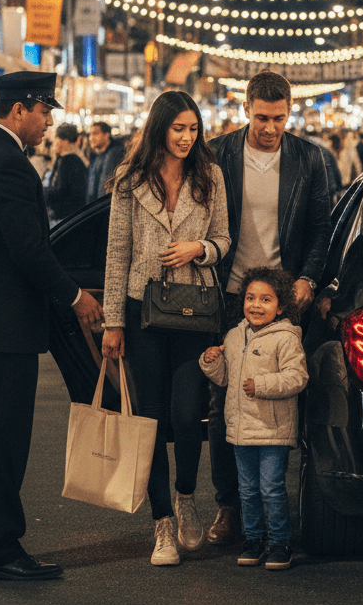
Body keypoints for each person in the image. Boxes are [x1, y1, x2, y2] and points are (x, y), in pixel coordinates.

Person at [0, 71, 102, 582]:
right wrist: (76, 295)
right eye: (44, 111)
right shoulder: (9, 164)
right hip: (2, 323)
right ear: (20, 109)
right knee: (2, 439)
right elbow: (28, 250)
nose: (49, 121)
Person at [100, 90, 231, 567]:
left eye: (193, 129)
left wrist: (199, 249)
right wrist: (113, 321)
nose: (186, 137)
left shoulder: (210, 175)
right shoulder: (130, 181)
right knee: (151, 416)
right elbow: (117, 254)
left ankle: (185, 497)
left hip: (195, 310)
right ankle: (161, 526)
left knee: (186, 410)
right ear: (159, 128)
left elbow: (223, 240)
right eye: (178, 128)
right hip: (143, 311)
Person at [206, 70, 331, 547]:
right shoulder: (219, 153)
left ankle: (282, 502)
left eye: (279, 118)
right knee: (225, 403)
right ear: (245, 110)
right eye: (261, 117)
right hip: (229, 296)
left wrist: (307, 278)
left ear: (289, 112)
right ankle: (230, 506)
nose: (270, 128)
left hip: (285, 302)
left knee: (286, 401)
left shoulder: (309, 158)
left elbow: (322, 227)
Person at [199, 266, 308, 571]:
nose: (256, 305)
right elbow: (225, 380)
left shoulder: (286, 338)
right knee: (247, 489)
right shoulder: (234, 336)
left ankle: (280, 542)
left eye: (266, 299)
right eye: (250, 298)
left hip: (273, 429)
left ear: (281, 306)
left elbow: (297, 378)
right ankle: (253, 540)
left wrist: (261, 385)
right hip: (241, 430)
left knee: (271, 488)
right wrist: (211, 362)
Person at [44, 123, 88, 225]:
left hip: (66, 218)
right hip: (69, 216)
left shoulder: (69, 161)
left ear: (64, 141)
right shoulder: (71, 159)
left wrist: (44, 193)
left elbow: (62, 190)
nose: (54, 143)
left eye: (56, 139)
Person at [86, 121, 125, 202]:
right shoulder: (96, 155)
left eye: (95, 133)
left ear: (106, 135)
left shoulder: (113, 154)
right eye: (90, 134)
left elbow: (105, 185)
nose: (91, 138)